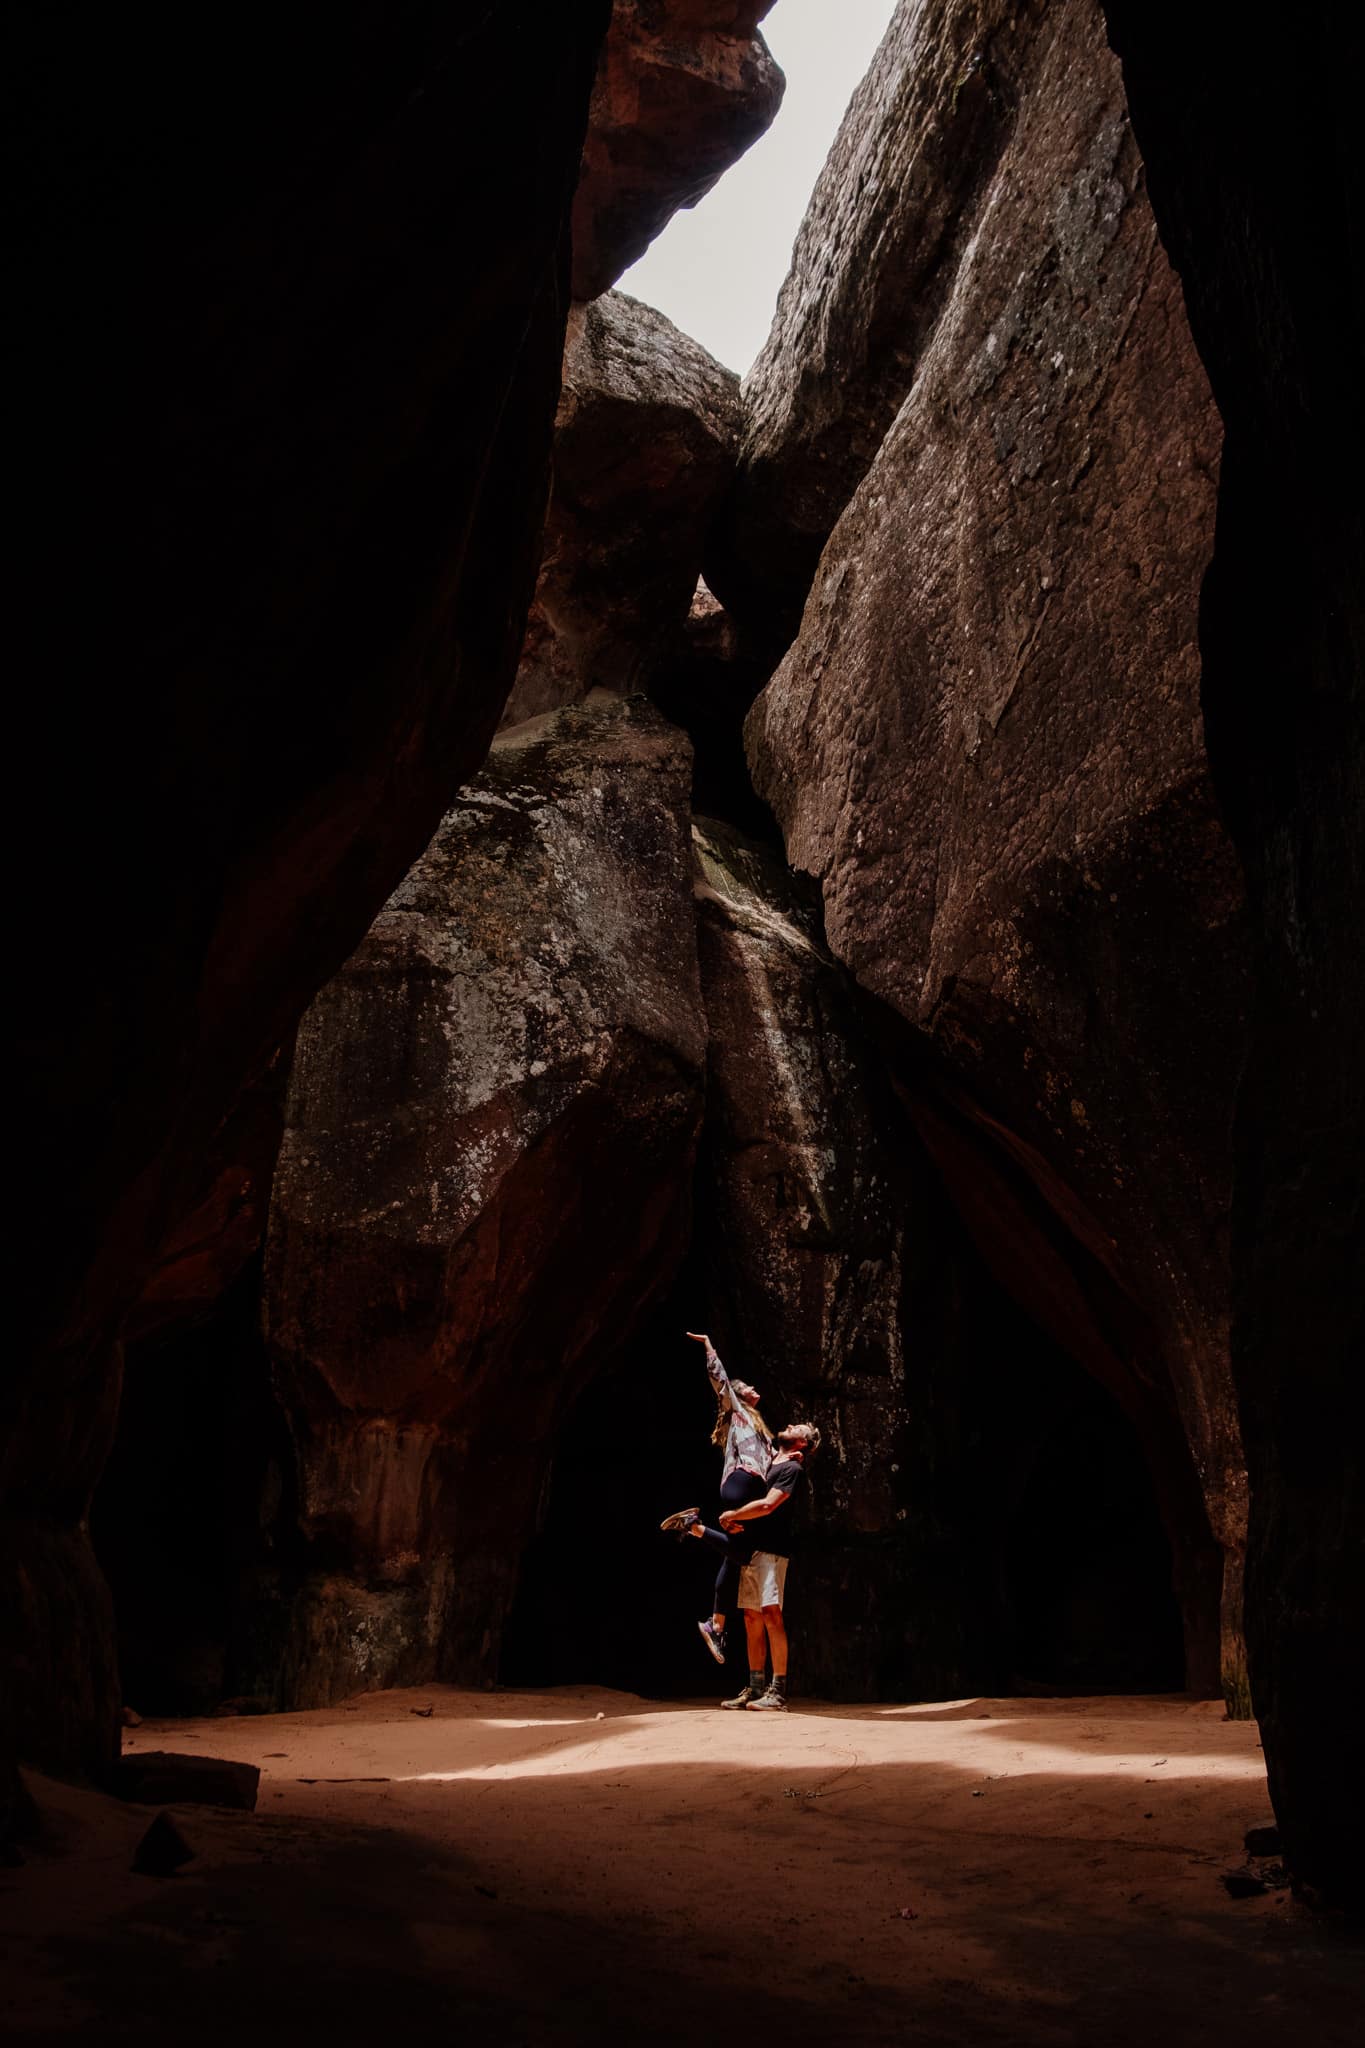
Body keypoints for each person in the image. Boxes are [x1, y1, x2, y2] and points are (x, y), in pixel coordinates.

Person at [659, 1332, 774, 1663]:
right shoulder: (738, 1412)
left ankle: (716, 1626)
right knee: (743, 1551)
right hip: (742, 1483)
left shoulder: (760, 1428)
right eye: (747, 1386)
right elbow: (720, 1380)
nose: (753, 1388)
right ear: (739, 1395)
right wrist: (709, 1346)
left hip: (746, 1486)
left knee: (737, 1554)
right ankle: (694, 1528)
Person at [716, 1422, 819, 1711]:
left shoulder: (792, 1470)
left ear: (803, 1445)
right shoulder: (770, 1461)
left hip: (773, 1552)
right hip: (752, 1549)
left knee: (771, 1614)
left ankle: (778, 1692)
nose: (787, 1425)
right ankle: (755, 1687)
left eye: (797, 1427)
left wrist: (733, 1515)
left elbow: (768, 1505)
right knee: (751, 1617)